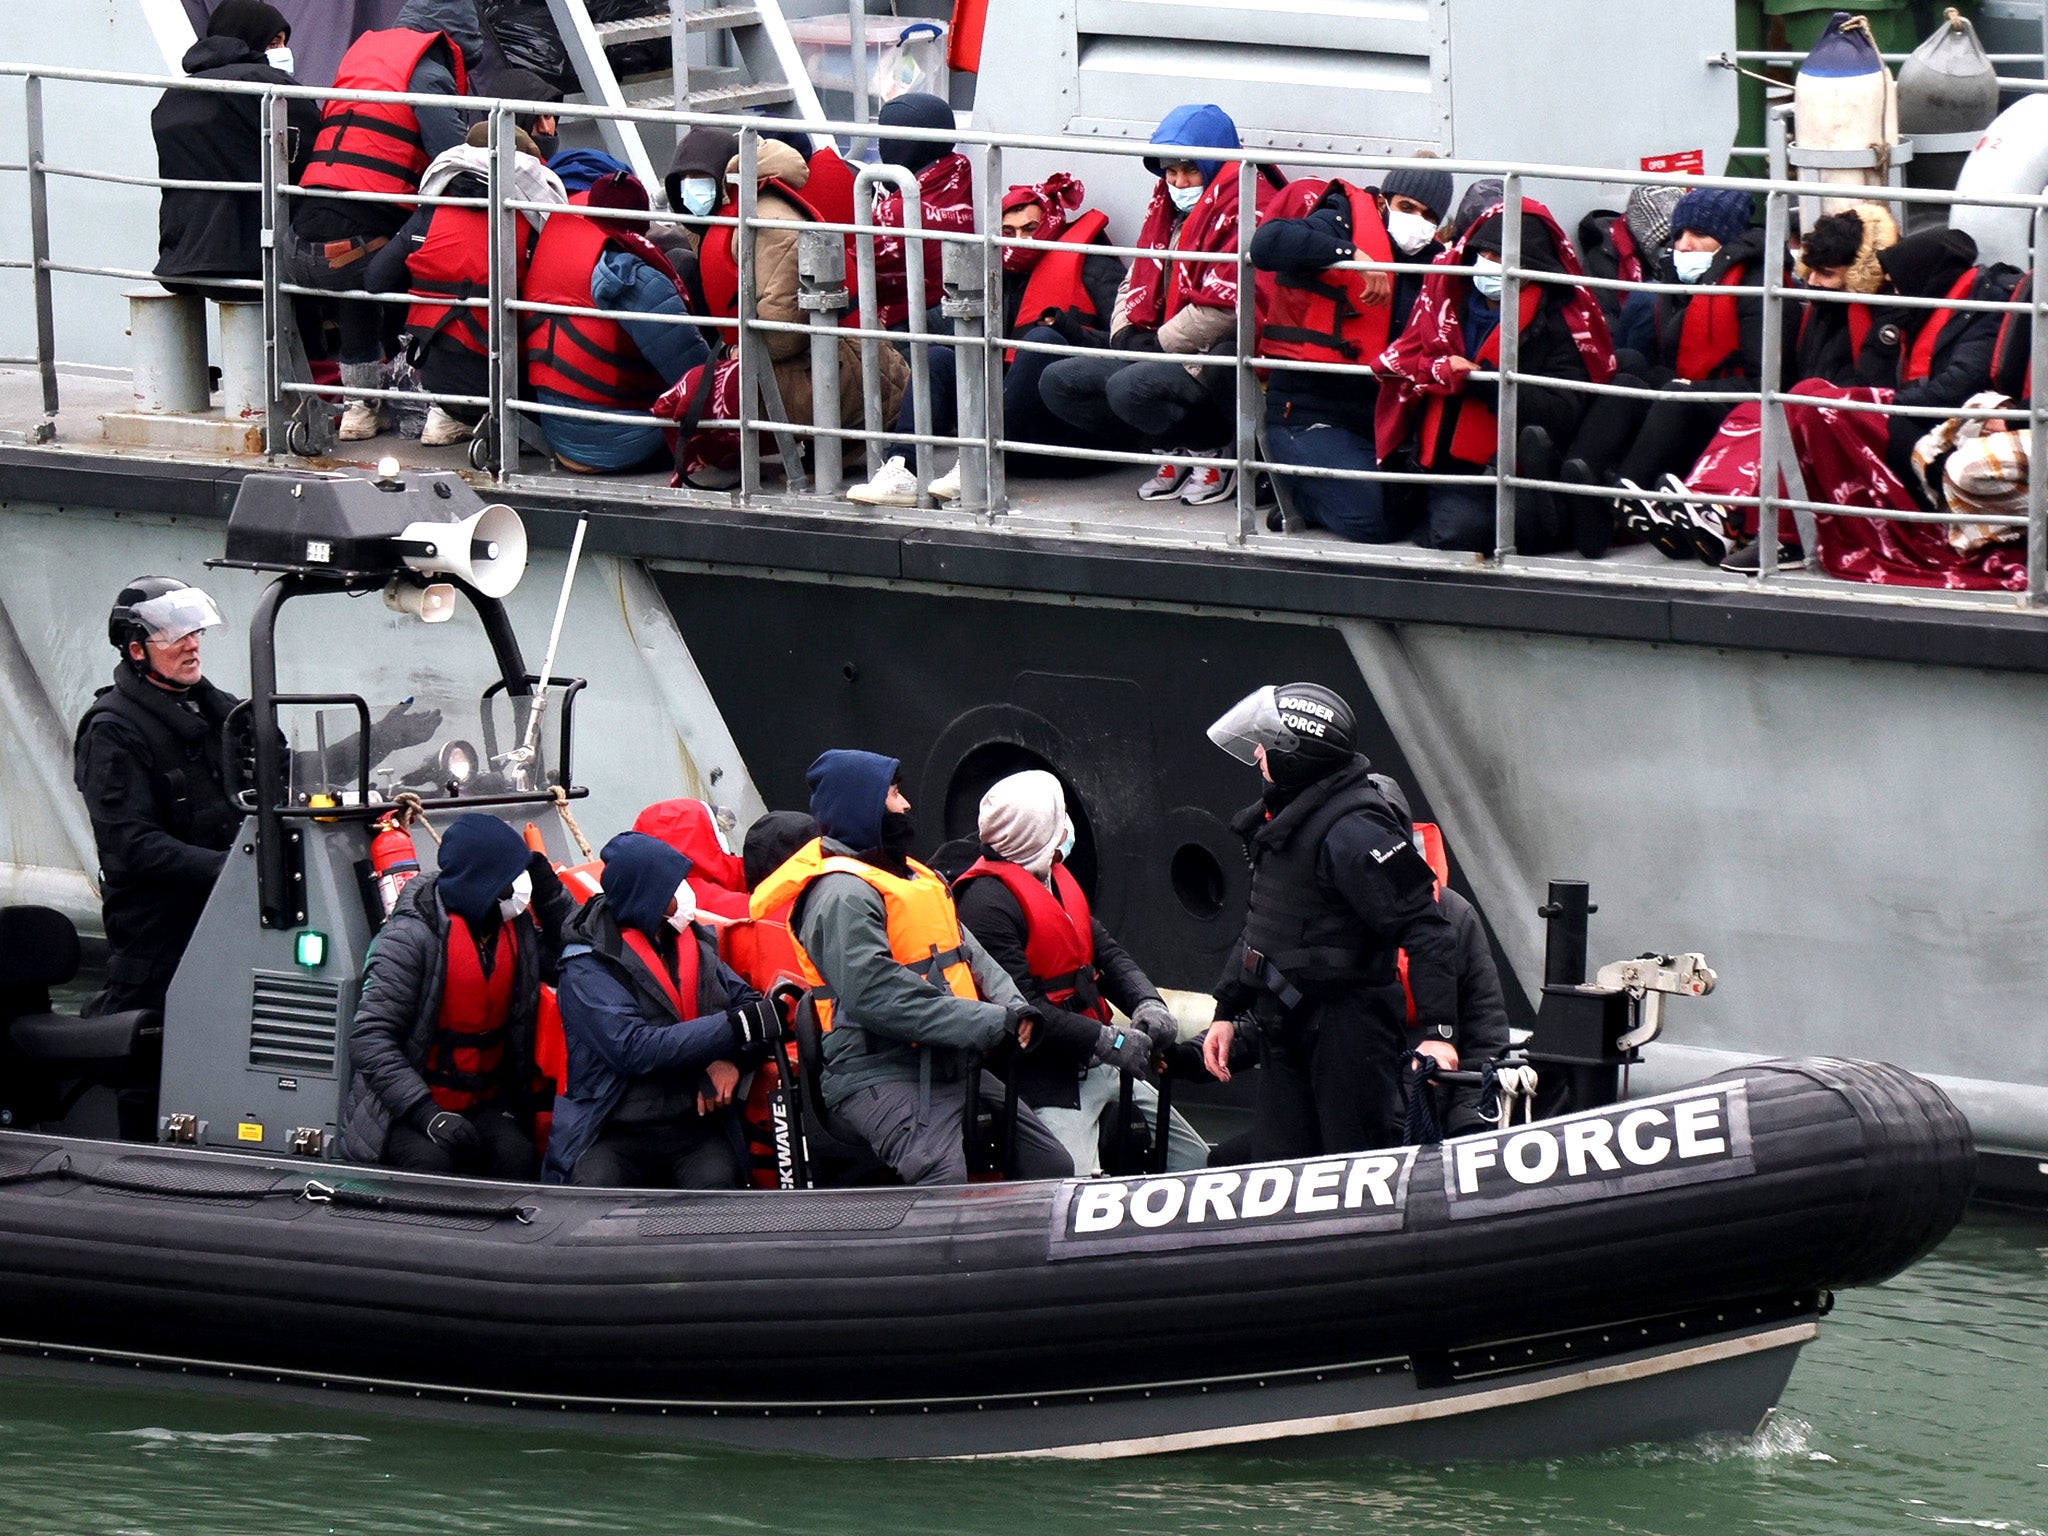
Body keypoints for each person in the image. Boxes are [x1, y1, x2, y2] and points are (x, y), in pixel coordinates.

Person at [72, 578, 441, 1019]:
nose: (192, 646)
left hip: (235, 921)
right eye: (176, 637)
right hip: (161, 941)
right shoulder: (112, 730)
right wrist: (240, 870)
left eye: (196, 634)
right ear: (137, 651)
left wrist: (381, 738)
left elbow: (292, 776)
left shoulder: (220, 713)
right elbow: (134, 847)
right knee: (156, 1064)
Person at [747, 750, 1073, 1185]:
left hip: (949, 1060)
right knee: (943, 1176)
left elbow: (969, 950)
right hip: (877, 1072)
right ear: (863, 808)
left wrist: (1017, 1009)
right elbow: (877, 995)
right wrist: (993, 1021)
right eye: (894, 795)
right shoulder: (840, 895)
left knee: (1052, 1164)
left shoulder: (915, 878)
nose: (905, 806)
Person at [1198, 684, 1458, 1164]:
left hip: (1348, 1032)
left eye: (1267, 744)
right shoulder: (1283, 822)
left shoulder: (1355, 830)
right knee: (1279, 1166)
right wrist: (1226, 1010)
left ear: (1295, 760)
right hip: (1285, 1024)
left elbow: (1428, 931)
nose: (1257, 754)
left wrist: (1439, 1036)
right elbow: (1267, 923)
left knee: (1353, 1167)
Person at [951, 770, 1207, 1176]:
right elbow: (1025, 1008)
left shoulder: (1054, 880)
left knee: (1192, 1158)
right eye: (1059, 816)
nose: (1066, 825)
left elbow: (1107, 953)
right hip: (1045, 1076)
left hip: (1101, 1061)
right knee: (1072, 1186)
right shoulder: (984, 905)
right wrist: (1109, 1040)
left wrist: (1149, 1004)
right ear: (1034, 831)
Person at [1038, 103, 1287, 506]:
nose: (1179, 181)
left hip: (1208, 357)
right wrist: (1123, 332)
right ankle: (1170, 448)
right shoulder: (1166, 211)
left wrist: (1157, 345)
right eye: (1171, 172)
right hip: (1158, 345)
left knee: (1129, 387)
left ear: (1214, 163)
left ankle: (1212, 451)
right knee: (1058, 381)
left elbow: (1229, 305)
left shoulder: (1248, 207)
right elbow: (1135, 276)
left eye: (1189, 170)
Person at [848, 171, 1125, 505]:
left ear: (1052, 224)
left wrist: (1066, 329)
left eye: (1030, 229)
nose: (1019, 240)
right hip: (1012, 437)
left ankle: (977, 465)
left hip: (1073, 435)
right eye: (1008, 232)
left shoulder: (1095, 265)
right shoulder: (999, 276)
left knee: (1039, 341)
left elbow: (1124, 347)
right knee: (937, 357)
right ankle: (904, 468)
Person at [286, 0, 485, 441]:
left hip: (299, 243)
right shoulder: (428, 75)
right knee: (435, 261)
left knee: (363, 270)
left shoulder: (364, 57)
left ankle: (360, 407)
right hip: (353, 251)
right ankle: (440, 405)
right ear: (455, 36)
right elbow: (458, 164)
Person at [1777, 227, 2022, 585]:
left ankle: (1783, 534)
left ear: (1922, 278)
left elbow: (1955, 387)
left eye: (1896, 284)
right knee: (1806, 397)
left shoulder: (1981, 311)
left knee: (1813, 404)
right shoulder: (1922, 312)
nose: (1892, 293)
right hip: (1918, 417)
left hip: (1940, 429)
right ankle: (1773, 528)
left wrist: (1886, 404)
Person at [660, 140, 906, 488]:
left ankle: (822, 444)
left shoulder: (769, 223)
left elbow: (781, 336)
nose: (691, 191)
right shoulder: (748, 207)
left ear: (724, 177)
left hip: (848, 372)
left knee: (696, 395)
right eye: (683, 182)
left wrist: (735, 353)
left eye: (700, 180)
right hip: (844, 360)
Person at [1374, 200, 1615, 553]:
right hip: (1444, 466)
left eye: (1504, 258)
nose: (1491, 264)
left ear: (1532, 270)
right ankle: (1552, 522)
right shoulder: (1445, 301)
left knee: (1466, 529)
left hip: (1514, 457)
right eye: (1485, 252)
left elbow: (1566, 410)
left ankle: (1554, 513)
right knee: (1444, 528)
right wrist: (1440, 370)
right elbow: (1402, 364)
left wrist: (1487, 382)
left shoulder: (1561, 320)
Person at [340, 813, 569, 1176]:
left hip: (484, 1101)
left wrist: (551, 895)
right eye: (514, 876)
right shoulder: (409, 939)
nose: (520, 886)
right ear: (484, 881)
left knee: (517, 1156)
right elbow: (370, 1039)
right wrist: (427, 1114)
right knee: (432, 1163)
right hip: (408, 1108)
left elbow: (573, 958)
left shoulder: (513, 928)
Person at [545, 831, 778, 1187]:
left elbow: (751, 1006)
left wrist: (734, 1060)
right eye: (674, 885)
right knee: (595, 1197)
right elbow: (632, 1048)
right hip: (614, 1128)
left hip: (692, 1125)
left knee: (719, 1184)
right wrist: (733, 1029)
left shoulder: (694, 946)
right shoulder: (586, 967)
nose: (685, 892)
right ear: (648, 897)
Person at [1673, 203, 1899, 566]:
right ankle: (1705, 502)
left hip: (1841, 418)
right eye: (1811, 271)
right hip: (1808, 404)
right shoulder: (1820, 312)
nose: (1812, 282)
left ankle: (1731, 515)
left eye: (1826, 274)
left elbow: (1873, 388)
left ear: (1858, 274)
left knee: (1783, 414)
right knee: (1754, 411)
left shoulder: (1880, 319)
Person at [1560, 186, 1768, 558]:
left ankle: (1620, 500)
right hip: (1690, 400)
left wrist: (1690, 387)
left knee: (1674, 394)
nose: (1683, 245)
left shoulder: (1757, 288)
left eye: (1698, 235)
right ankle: (1582, 481)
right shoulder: (1679, 283)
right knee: (1628, 377)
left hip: (1738, 415)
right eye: (1679, 235)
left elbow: (1766, 383)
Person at [1250, 160, 1453, 542]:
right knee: (1375, 520)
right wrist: (1353, 255)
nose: (1417, 221)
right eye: (1407, 207)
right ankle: (1302, 501)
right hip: (1308, 414)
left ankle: (1331, 492)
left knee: (1443, 507)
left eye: (1429, 215)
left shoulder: (1438, 261)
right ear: (1383, 202)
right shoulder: (1340, 221)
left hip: (1382, 424)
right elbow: (1267, 243)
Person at [362, 122, 565, 446]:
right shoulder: (535, 214)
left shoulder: (431, 210)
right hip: (506, 383)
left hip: (433, 375)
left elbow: (375, 280)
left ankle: (448, 416)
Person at [523, 169, 709, 473]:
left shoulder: (557, 243)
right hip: (617, 444)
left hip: (556, 432)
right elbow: (697, 379)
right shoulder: (633, 279)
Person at [1366, 774, 1509, 1137]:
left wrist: (1471, 1126)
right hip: (1343, 1109)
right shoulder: (1317, 913)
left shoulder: (1453, 915)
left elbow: (1485, 1035)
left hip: (1424, 1111)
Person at [151, 1, 319, 298]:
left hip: (179, 257)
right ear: (247, 39)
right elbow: (313, 153)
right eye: (273, 42)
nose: (282, 52)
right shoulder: (267, 85)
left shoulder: (175, 94)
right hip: (252, 257)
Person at [869, 93, 975, 333]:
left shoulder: (897, 215)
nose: (880, 145)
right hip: (957, 314)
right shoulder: (960, 174)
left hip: (912, 327)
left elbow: (854, 273)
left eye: (884, 137)